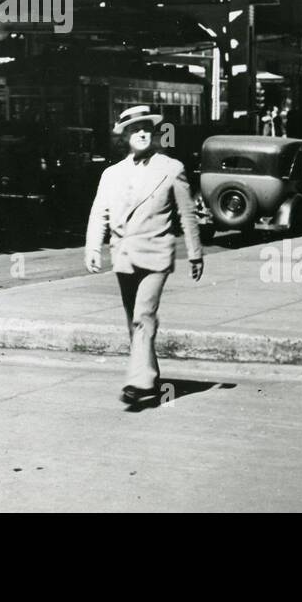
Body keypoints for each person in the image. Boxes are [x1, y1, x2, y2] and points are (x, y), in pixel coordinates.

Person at [84, 105, 203, 406]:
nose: (140, 133)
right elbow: (99, 213)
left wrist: (195, 253)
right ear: (124, 135)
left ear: (154, 133)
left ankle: (140, 382)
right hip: (123, 256)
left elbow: (187, 214)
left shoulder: (171, 169)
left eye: (146, 129)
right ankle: (149, 372)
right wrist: (93, 248)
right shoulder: (112, 174)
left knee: (143, 316)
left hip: (156, 254)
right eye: (134, 129)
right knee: (133, 321)